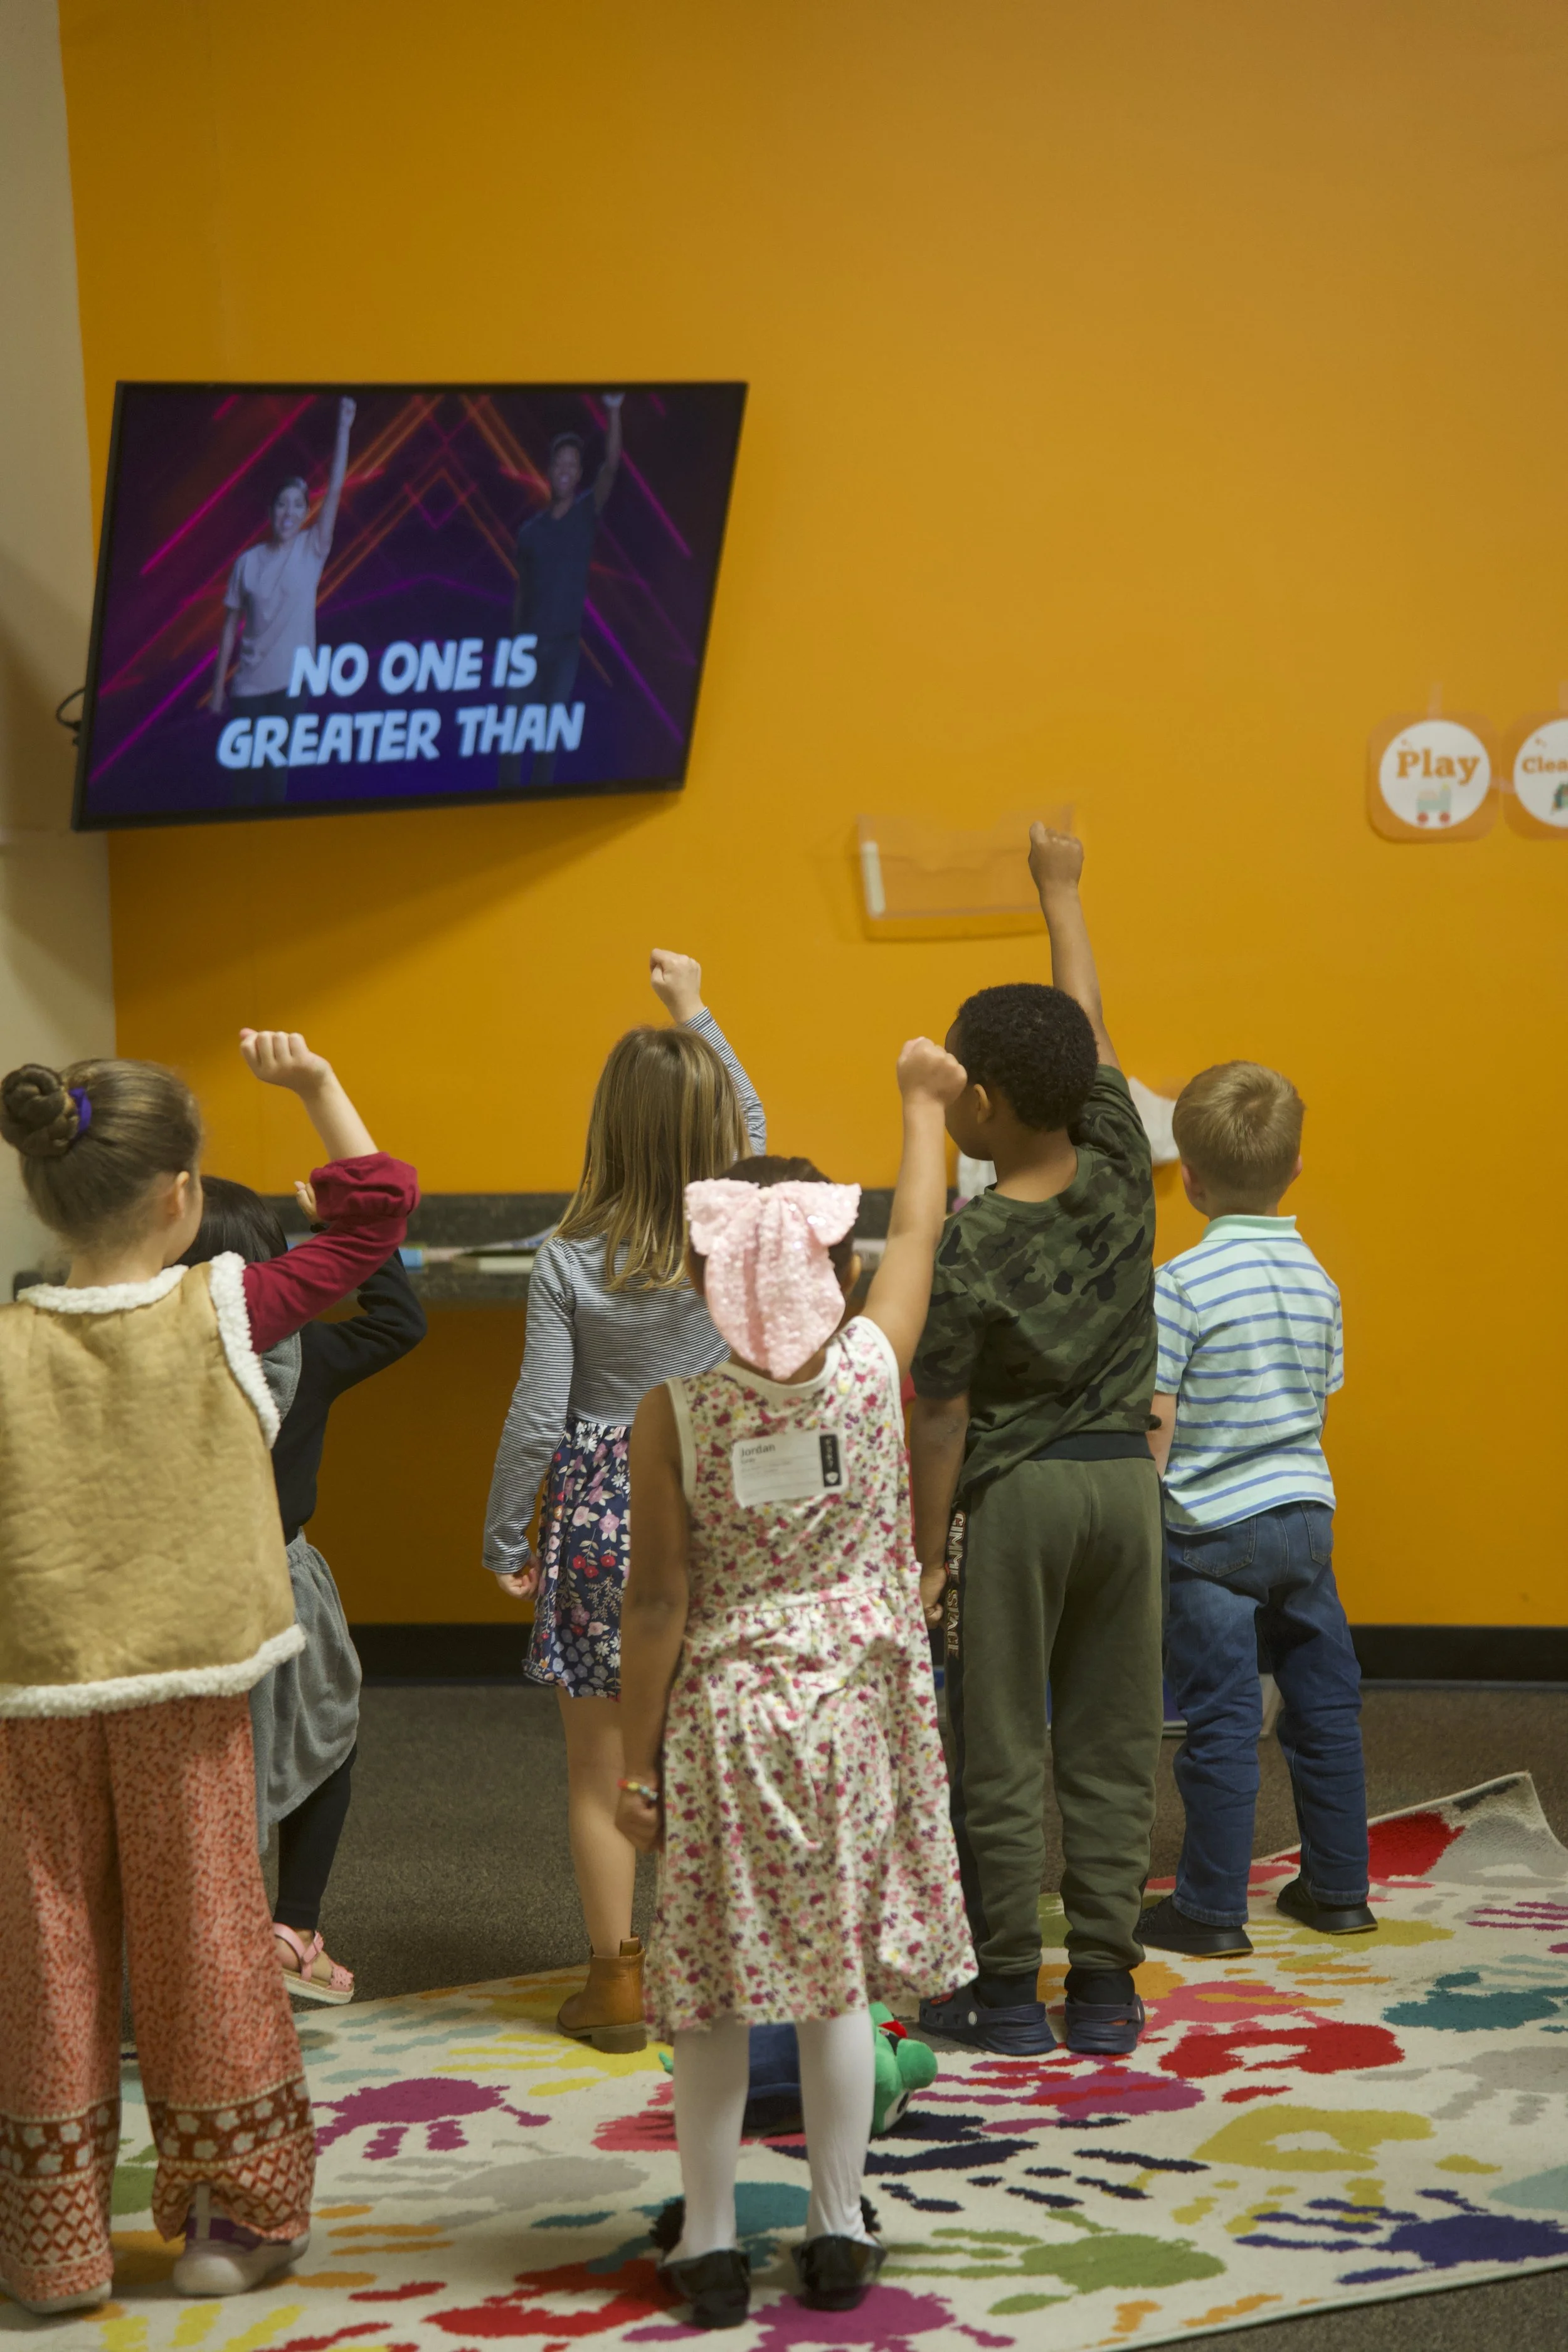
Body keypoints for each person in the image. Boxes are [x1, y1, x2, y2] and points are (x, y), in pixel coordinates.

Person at [0, 1030, 416, 2314]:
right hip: (188, 1696)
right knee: (210, 1949)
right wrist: (315, 1089)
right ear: (184, 1196)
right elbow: (377, 1215)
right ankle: (233, 2223)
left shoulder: (6, 1340)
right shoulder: (226, 1306)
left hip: (34, 1701)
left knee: (44, 1961)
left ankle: (51, 2246)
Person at [615, 1039, 977, 2331]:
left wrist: (633, 1758)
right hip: (856, 1712)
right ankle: (833, 2226)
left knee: (709, 1982)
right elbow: (921, 1229)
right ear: (828, 1265)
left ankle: (708, 2241)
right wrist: (920, 1108)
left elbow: (656, 1600)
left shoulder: (673, 1411)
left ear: (717, 1277)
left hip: (722, 1718)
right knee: (835, 1982)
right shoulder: (874, 1367)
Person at [909, 825, 1162, 2061]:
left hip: (1013, 1505)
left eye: (958, 1082)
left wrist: (924, 1552)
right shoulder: (1123, 1168)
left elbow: (940, 1412)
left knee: (998, 1745)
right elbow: (1091, 1025)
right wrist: (1061, 892)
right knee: (1113, 1742)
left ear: (984, 1103)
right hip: (1125, 1493)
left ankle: (1006, 1995)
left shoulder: (967, 1245)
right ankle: (1106, 1989)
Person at [484, 949, 765, 2050]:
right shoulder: (735, 1226)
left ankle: (615, 1985)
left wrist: (510, 1534)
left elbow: (536, 1417)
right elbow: (749, 1111)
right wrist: (696, 1007)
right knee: (718, 1747)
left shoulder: (566, 1256)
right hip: (720, 1493)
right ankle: (734, 1962)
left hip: (604, 1508)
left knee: (603, 1765)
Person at [1140, 1063, 1372, 1957]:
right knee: (1325, 1702)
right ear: (1297, 1165)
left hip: (1211, 1537)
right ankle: (1340, 1889)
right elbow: (1318, 1399)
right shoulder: (1318, 1280)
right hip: (1305, 1522)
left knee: (1224, 1716)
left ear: (1188, 1177)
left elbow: (1158, 1417)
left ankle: (1208, 1907)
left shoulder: (1182, 1283)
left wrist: (1143, 1510)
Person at [181, 1175, 427, 2003]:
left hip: (174, 1592)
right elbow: (402, 1322)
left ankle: (196, 1940)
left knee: (197, 1765)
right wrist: (343, 1226)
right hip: (281, 1586)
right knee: (323, 1743)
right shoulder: (305, 1353)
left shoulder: (152, 1363)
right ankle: (290, 1928)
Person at [208, 395, 356, 807]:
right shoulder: (247, 563)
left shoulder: (312, 548)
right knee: (243, 779)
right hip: (248, 686)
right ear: (271, 511)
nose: (289, 512)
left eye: (297, 505)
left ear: (305, 513)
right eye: (282, 504)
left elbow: (336, 490)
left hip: (290, 686)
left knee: (275, 776)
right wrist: (218, 687)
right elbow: (228, 628)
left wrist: (343, 429)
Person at [497, 393, 623, 788]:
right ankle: (503, 803)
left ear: (578, 473)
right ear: (550, 471)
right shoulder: (531, 532)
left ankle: (537, 805)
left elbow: (613, 466)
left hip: (565, 647)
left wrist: (614, 411)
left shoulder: (586, 513)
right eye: (559, 462)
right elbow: (523, 595)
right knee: (513, 736)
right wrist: (515, 646)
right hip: (528, 648)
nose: (566, 469)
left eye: (573, 462)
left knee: (548, 738)